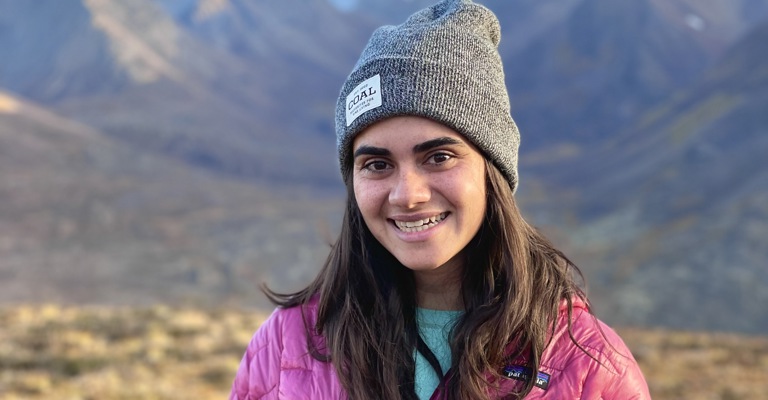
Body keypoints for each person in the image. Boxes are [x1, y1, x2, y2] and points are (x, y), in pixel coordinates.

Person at [229, 0, 651, 398]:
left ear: (493, 170)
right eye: (377, 164)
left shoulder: (591, 367)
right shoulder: (282, 348)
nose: (408, 195)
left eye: (439, 157)